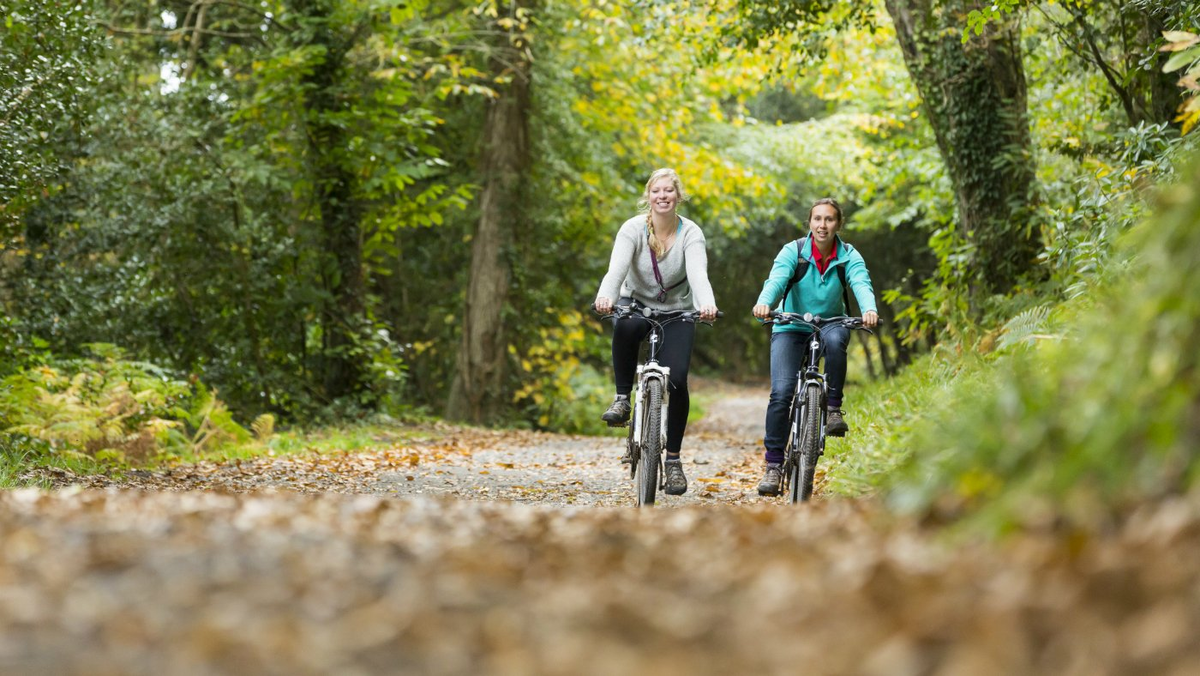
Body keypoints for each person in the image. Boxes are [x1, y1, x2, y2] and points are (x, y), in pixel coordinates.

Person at [594, 168, 719, 496]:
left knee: (677, 379)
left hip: (677, 312)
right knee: (625, 324)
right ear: (648, 197)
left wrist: (706, 305)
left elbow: (698, 274)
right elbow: (616, 269)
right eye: (656, 191)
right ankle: (622, 398)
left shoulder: (691, 233)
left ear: (678, 196)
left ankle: (674, 460)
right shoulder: (632, 229)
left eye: (669, 191)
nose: (662, 196)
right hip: (634, 303)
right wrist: (605, 296)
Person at [751, 198, 878, 496]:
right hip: (791, 325)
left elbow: (861, 283)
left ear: (838, 224)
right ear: (810, 222)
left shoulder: (848, 255)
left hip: (831, 323)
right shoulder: (793, 252)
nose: (823, 225)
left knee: (836, 341)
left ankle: (833, 408)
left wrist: (869, 309)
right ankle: (773, 465)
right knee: (781, 393)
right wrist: (765, 303)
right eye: (817, 219)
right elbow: (777, 279)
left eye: (830, 219)